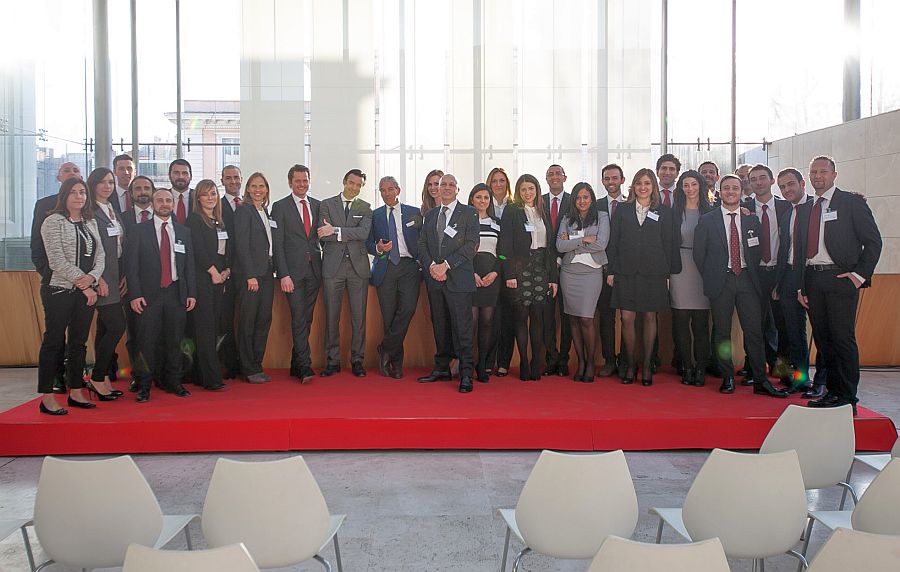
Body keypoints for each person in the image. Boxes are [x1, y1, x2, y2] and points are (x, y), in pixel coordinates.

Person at [798, 156, 882, 413]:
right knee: (824, 341)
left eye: (823, 171)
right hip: (813, 279)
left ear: (834, 175)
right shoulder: (806, 208)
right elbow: (800, 251)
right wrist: (802, 287)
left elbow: (873, 242)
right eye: (813, 172)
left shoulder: (851, 203)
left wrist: (858, 276)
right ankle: (832, 393)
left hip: (841, 279)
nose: (817, 176)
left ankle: (847, 397)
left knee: (842, 339)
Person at [693, 175, 787, 398]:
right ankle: (727, 376)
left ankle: (760, 380)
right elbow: (699, 254)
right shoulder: (707, 220)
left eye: (735, 188)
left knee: (754, 332)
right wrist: (713, 276)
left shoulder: (751, 219)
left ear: (741, 191)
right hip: (721, 282)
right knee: (722, 332)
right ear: (720, 192)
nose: (731, 191)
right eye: (726, 188)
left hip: (748, 281)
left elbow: (758, 250)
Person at [37, 177, 105, 414]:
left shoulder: (90, 221)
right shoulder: (52, 221)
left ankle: (76, 391)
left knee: (79, 342)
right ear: (64, 195)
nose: (79, 196)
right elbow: (56, 260)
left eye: (82, 192)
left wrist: (93, 277)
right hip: (59, 290)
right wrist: (83, 284)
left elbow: (101, 256)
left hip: (86, 292)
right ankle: (47, 396)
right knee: (54, 341)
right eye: (74, 192)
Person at [126, 188, 196, 402]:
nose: (164, 203)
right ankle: (143, 385)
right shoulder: (139, 231)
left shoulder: (183, 232)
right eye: (160, 200)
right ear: (153, 203)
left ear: (173, 204)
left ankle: (174, 382)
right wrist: (135, 294)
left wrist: (191, 293)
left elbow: (189, 266)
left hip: (176, 293)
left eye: (168, 200)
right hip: (148, 296)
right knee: (146, 342)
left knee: (175, 341)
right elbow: (131, 267)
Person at [607, 169, 673, 386]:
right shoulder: (622, 210)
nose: (642, 187)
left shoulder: (664, 212)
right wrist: (611, 271)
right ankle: (630, 364)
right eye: (638, 183)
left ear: (653, 186)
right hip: (625, 272)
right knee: (627, 318)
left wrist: (667, 274)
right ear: (633, 186)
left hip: (654, 273)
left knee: (649, 318)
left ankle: (646, 366)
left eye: (647, 183)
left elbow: (668, 244)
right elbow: (614, 242)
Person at [416, 174, 480, 392]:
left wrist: (446, 266)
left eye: (451, 185)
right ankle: (442, 368)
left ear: (457, 189)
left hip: (458, 279)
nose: (446, 188)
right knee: (440, 325)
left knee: (462, 327)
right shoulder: (431, 214)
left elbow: (471, 244)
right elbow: (422, 244)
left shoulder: (469, 213)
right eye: (443, 184)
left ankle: (466, 373)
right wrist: (433, 266)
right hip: (435, 280)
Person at [498, 174, 559, 381]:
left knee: (538, 318)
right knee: (521, 318)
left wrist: (553, 278)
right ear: (518, 191)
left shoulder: (543, 210)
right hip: (519, 269)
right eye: (523, 189)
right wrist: (509, 273)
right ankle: (524, 361)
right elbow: (504, 246)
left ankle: (535, 363)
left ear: (537, 190)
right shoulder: (512, 210)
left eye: (531, 188)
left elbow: (551, 248)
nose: (527, 193)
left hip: (541, 269)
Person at [774, 168, 828, 397]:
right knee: (792, 332)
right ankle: (800, 379)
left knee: (821, 331)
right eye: (782, 187)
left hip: (812, 276)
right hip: (788, 276)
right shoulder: (787, 213)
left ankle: (822, 381)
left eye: (790, 184)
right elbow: (785, 249)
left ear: (802, 183)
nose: (787, 190)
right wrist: (778, 283)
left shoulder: (817, 207)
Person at [31, 161, 83, 394]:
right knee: (55, 334)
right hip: (56, 283)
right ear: (58, 177)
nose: (71, 173)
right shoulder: (46, 206)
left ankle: (75, 378)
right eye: (66, 170)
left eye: (76, 171)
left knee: (78, 335)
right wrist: (50, 273)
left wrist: (87, 278)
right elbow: (38, 246)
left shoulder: (86, 210)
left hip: (83, 285)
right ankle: (54, 378)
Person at [317, 169, 373, 377]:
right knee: (332, 316)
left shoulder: (365, 207)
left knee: (359, 318)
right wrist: (338, 233)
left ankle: (357, 360)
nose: (354, 187)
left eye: (358, 185)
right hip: (333, 267)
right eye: (351, 183)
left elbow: (363, 233)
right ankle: (333, 361)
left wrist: (336, 230)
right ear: (344, 181)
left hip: (358, 268)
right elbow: (323, 235)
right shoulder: (326, 205)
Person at [739, 163, 792, 384]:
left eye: (762, 178)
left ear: (771, 181)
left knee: (783, 324)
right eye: (753, 179)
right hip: (754, 274)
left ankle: (782, 371)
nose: (758, 182)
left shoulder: (787, 207)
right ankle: (754, 369)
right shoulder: (742, 208)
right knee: (754, 325)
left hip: (781, 273)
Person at [366, 176, 423, 378]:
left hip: (409, 266)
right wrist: (378, 248)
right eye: (382, 190)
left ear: (398, 190)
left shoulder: (414, 212)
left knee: (407, 309)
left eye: (390, 189)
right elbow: (368, 244)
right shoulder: (375, 215)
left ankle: (385, 348)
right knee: (389, 316)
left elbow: (423, 239)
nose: (386, 193)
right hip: (386, 267)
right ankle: (396, 364)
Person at [271, 164, 323, 383]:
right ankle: (304, 366)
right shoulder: (280, 207)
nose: (302, 184)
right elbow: (277, 244)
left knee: (306, 318)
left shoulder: (318, 205)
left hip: (314, 271)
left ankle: (296, 363)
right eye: (297, 181)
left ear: (309, 181)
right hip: (292, 274)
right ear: (290, 182)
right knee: (299, 317)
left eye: (305, 180)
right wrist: (283, 274)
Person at [556, 182, 609, 383]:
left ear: (592, 199)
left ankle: (591, 363)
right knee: (573, 319)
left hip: (591, 273)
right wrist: (584, 240)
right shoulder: (567, 218)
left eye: (586, 197)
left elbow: (602, 243)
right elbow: (560, 245)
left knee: (586, 319)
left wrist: (572, 242)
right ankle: (580, 362)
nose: (582, 201)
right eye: (578, 197)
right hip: (569, 272)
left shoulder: (602, 216)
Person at [669, 170, 713, 387]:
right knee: (680, 322)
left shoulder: (711, 210)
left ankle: (701, 368)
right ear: (681, 188)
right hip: (680, 268)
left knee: (701, 324)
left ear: (701, 186)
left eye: (694, 184)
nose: (690, 189)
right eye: (686, 185)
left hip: (703, 270)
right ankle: (686, 366)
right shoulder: (674, 212)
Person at [187, 180, 231, 391]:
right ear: (198, 198)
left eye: (213, 193)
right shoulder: (194, 220)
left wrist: (226, 271)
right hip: (203, 281)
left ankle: (202, 374)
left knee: (213, 328)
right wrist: (213, 272)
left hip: (219, 280)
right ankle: (211, 378)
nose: (210, 198)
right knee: (204, 329)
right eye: (205, 194)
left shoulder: (219, 221)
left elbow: (224, 251)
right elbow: (198, 250)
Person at [85, 167, 125, 399]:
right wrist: (98, 278)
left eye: (110, 182)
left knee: (104, 329)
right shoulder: (89, 211)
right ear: (93, 184)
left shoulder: (112, 209)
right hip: (101, 279)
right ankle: (97, 377)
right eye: (102, 182)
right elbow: (90, 248)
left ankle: (103, 377)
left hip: (115, 276)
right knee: (117, 326)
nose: (107, 186)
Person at [234, 172, 275, 384]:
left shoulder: (265, 211)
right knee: (248, 321)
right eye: (254, 186)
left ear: (267, 189)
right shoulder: (244, 211)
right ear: (248, 189)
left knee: (264, 319)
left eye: (262, 186)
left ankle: (256, 364)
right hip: (251, 276)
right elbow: (241, 245)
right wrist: (250, 275)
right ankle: (247, 368)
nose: (258, 190)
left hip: (267, 273)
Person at [120, 175, 155, 392]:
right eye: (138, 188)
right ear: (131, 194)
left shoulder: (164, 216)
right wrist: (124, 276)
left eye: (146, 188)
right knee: (134, 333)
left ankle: (157, 373)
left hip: (160, 285)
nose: (143, 192)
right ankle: (138, 375)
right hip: (131, 284)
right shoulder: (122, 218)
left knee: (158, 332)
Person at [467, 183, 501, 383]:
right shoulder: (465, 221)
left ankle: (482, 365)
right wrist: (471, 273)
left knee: (487, 323)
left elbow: (503, 253)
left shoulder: (497, 223)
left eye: (486, 197)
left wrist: (495, 273)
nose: (482, 201)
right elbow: (460, 250)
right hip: (470, 277)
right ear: (472, 199)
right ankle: (467, 365)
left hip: (491, 279)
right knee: (471, 324)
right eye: (478, 197)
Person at [595, 163, 626, 377]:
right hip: (601, 269)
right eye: (607, 178)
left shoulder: (632, 204)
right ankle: (609, 360)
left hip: (626, 269)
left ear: (622, 180)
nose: (611, 182)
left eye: (615, 178)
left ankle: (625, 360)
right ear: (602, 181)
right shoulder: (595, 205)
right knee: (606, 317)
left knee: (628, 318)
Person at [542, 164, 572, 376]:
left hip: (568, 266)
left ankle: (563, 360)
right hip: (543, 268)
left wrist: (560, 259)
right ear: (546, 179)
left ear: (564, 177)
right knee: (547, 317)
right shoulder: (539, 201)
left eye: (558, 174)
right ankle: (551, 358)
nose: (554, 177)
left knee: (567, 315)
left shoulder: (574, 201)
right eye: (550, 174)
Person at [485, 167, 515, 377]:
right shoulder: (482, 206)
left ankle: (504, 362)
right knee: (490, 319)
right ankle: (488, 361)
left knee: (508, 318)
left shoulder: (515, 207)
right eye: (494, 180)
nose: (498, 184)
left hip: (510, 269)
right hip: (490, 270)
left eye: (502, 180)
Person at [218, 165, 242, 379]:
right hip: (225, 273)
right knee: (225, 320)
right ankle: (228, 364)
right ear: (222, 181)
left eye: (236, 177)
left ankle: (245, 362)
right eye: (228, 178)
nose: (233, 181)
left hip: (247, 273)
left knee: (245, 320)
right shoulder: (216, 206)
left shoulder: (250, 205)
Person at [168, 159, 193, 225]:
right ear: (169, 176)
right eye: (176, 173)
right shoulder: (162, 198)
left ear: (191, 176)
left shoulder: (199, 197)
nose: (180, 177)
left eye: (184, 173)